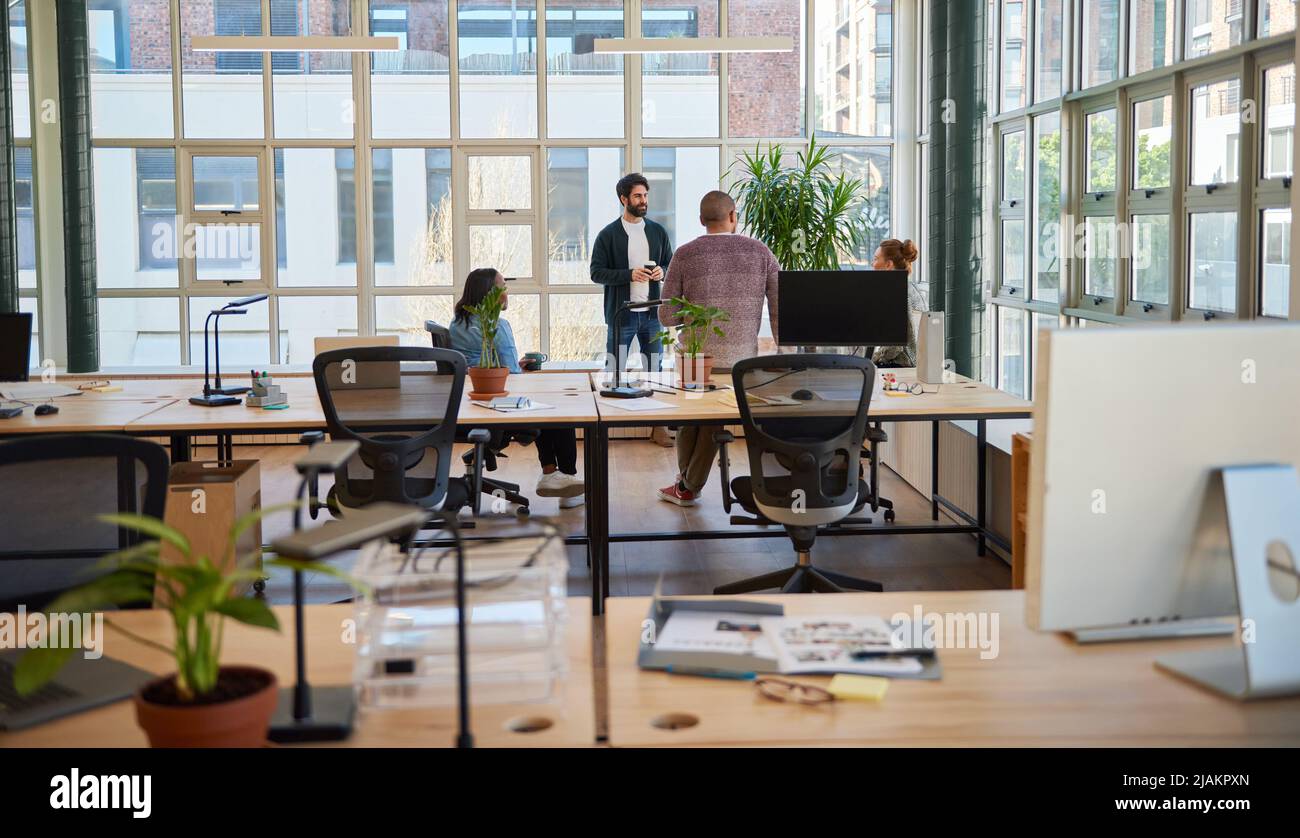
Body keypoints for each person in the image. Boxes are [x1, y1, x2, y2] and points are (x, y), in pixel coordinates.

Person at [655, 190, 780, 506]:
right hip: (741, 361)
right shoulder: (760, 252)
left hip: (695, 359)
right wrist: (783, 352)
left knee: (692, 419)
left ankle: (688, 485)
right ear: (734, 216)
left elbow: (666, 315)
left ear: (701, 220)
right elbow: (781, 308)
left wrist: (698, 306)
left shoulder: (685, 254)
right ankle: (686, 484)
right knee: (711, 419)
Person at [449, 268, 585, 507]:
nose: (507, 292)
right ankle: (564, 486)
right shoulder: (497, 325)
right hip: (499, 407)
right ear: (491, 294)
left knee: (545, 408)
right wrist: (518, 369)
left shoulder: (457, 323)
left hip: (473, 405)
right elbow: (511, 375)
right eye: (503, 287)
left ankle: (552, 473)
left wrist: (512, 368)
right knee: (560, 413)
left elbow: (484, 364)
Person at [590, 172, 675, 447]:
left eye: (646, 195)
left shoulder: (658, 231)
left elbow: (671, 264)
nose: (643, 201)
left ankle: (658, 427)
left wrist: (662, 272)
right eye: (638, 196)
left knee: (655, 371)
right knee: (615, 370)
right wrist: (629, 275)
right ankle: (609, 426)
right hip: (621, 315)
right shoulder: (608, 235)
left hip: (652, 316)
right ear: (623, 199)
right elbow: (596, 273)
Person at [870, 238, 928, 368]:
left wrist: (872, 359)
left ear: (888, 264)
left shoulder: (895, 292)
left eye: (875, 259)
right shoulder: (911, 287)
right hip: (916, 364)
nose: (872, 264)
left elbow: (895, 346)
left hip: (902, 365)